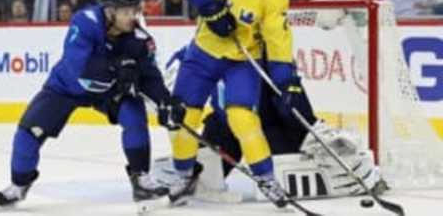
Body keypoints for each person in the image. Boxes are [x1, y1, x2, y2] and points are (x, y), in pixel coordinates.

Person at [0, 0, 185, 207]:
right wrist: (116, 67)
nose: (132, 17)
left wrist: (165, 102)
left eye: (135, 10)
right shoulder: (85, 22)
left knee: (135, 118)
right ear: (110, 11)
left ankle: (141, 179)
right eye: (125, 12)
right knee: (29, 131)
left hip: (109, 91)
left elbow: (150, 76)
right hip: (67, 87)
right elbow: (78, 67)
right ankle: (19, 185)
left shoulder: (140, 39)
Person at [161, 46, 385, 202]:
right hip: (225, 128)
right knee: (206, 173)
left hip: (266, 128)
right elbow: (172, 84)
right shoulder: (200, 51)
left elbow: (289, 95)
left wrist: (308, 127)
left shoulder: (265, 53)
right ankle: (177, 173)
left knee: (287, 162)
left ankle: (344, 163)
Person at [167, 0, 293, 207]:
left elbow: (278, 39)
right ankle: (184, 175)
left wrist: (285, 81)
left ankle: (267, 178)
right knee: (184, 114)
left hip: (242, 60)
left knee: (242, 118)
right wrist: (209, 7)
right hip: (204, 52)